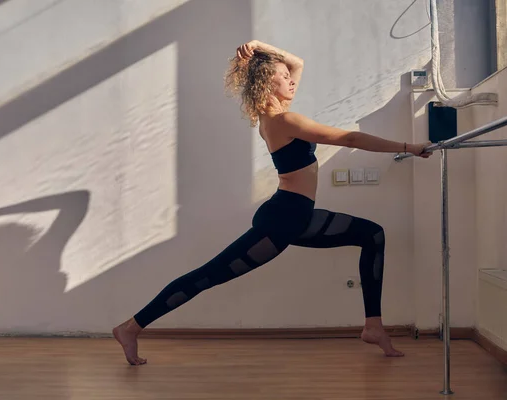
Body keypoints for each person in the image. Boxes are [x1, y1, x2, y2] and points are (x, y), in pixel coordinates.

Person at [113, 40, 432, 365]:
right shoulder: (284, 122)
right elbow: (349, 138)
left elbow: (298, 63)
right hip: (282, 221)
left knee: (372, 235)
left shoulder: (274, 118)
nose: (292, 80)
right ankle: (131, 328)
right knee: (206, 277)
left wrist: (260, 47)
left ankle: (373, 327)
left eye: (288, 76)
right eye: (282, 76)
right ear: (267, 83)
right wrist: (409, 146)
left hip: (296, 216)